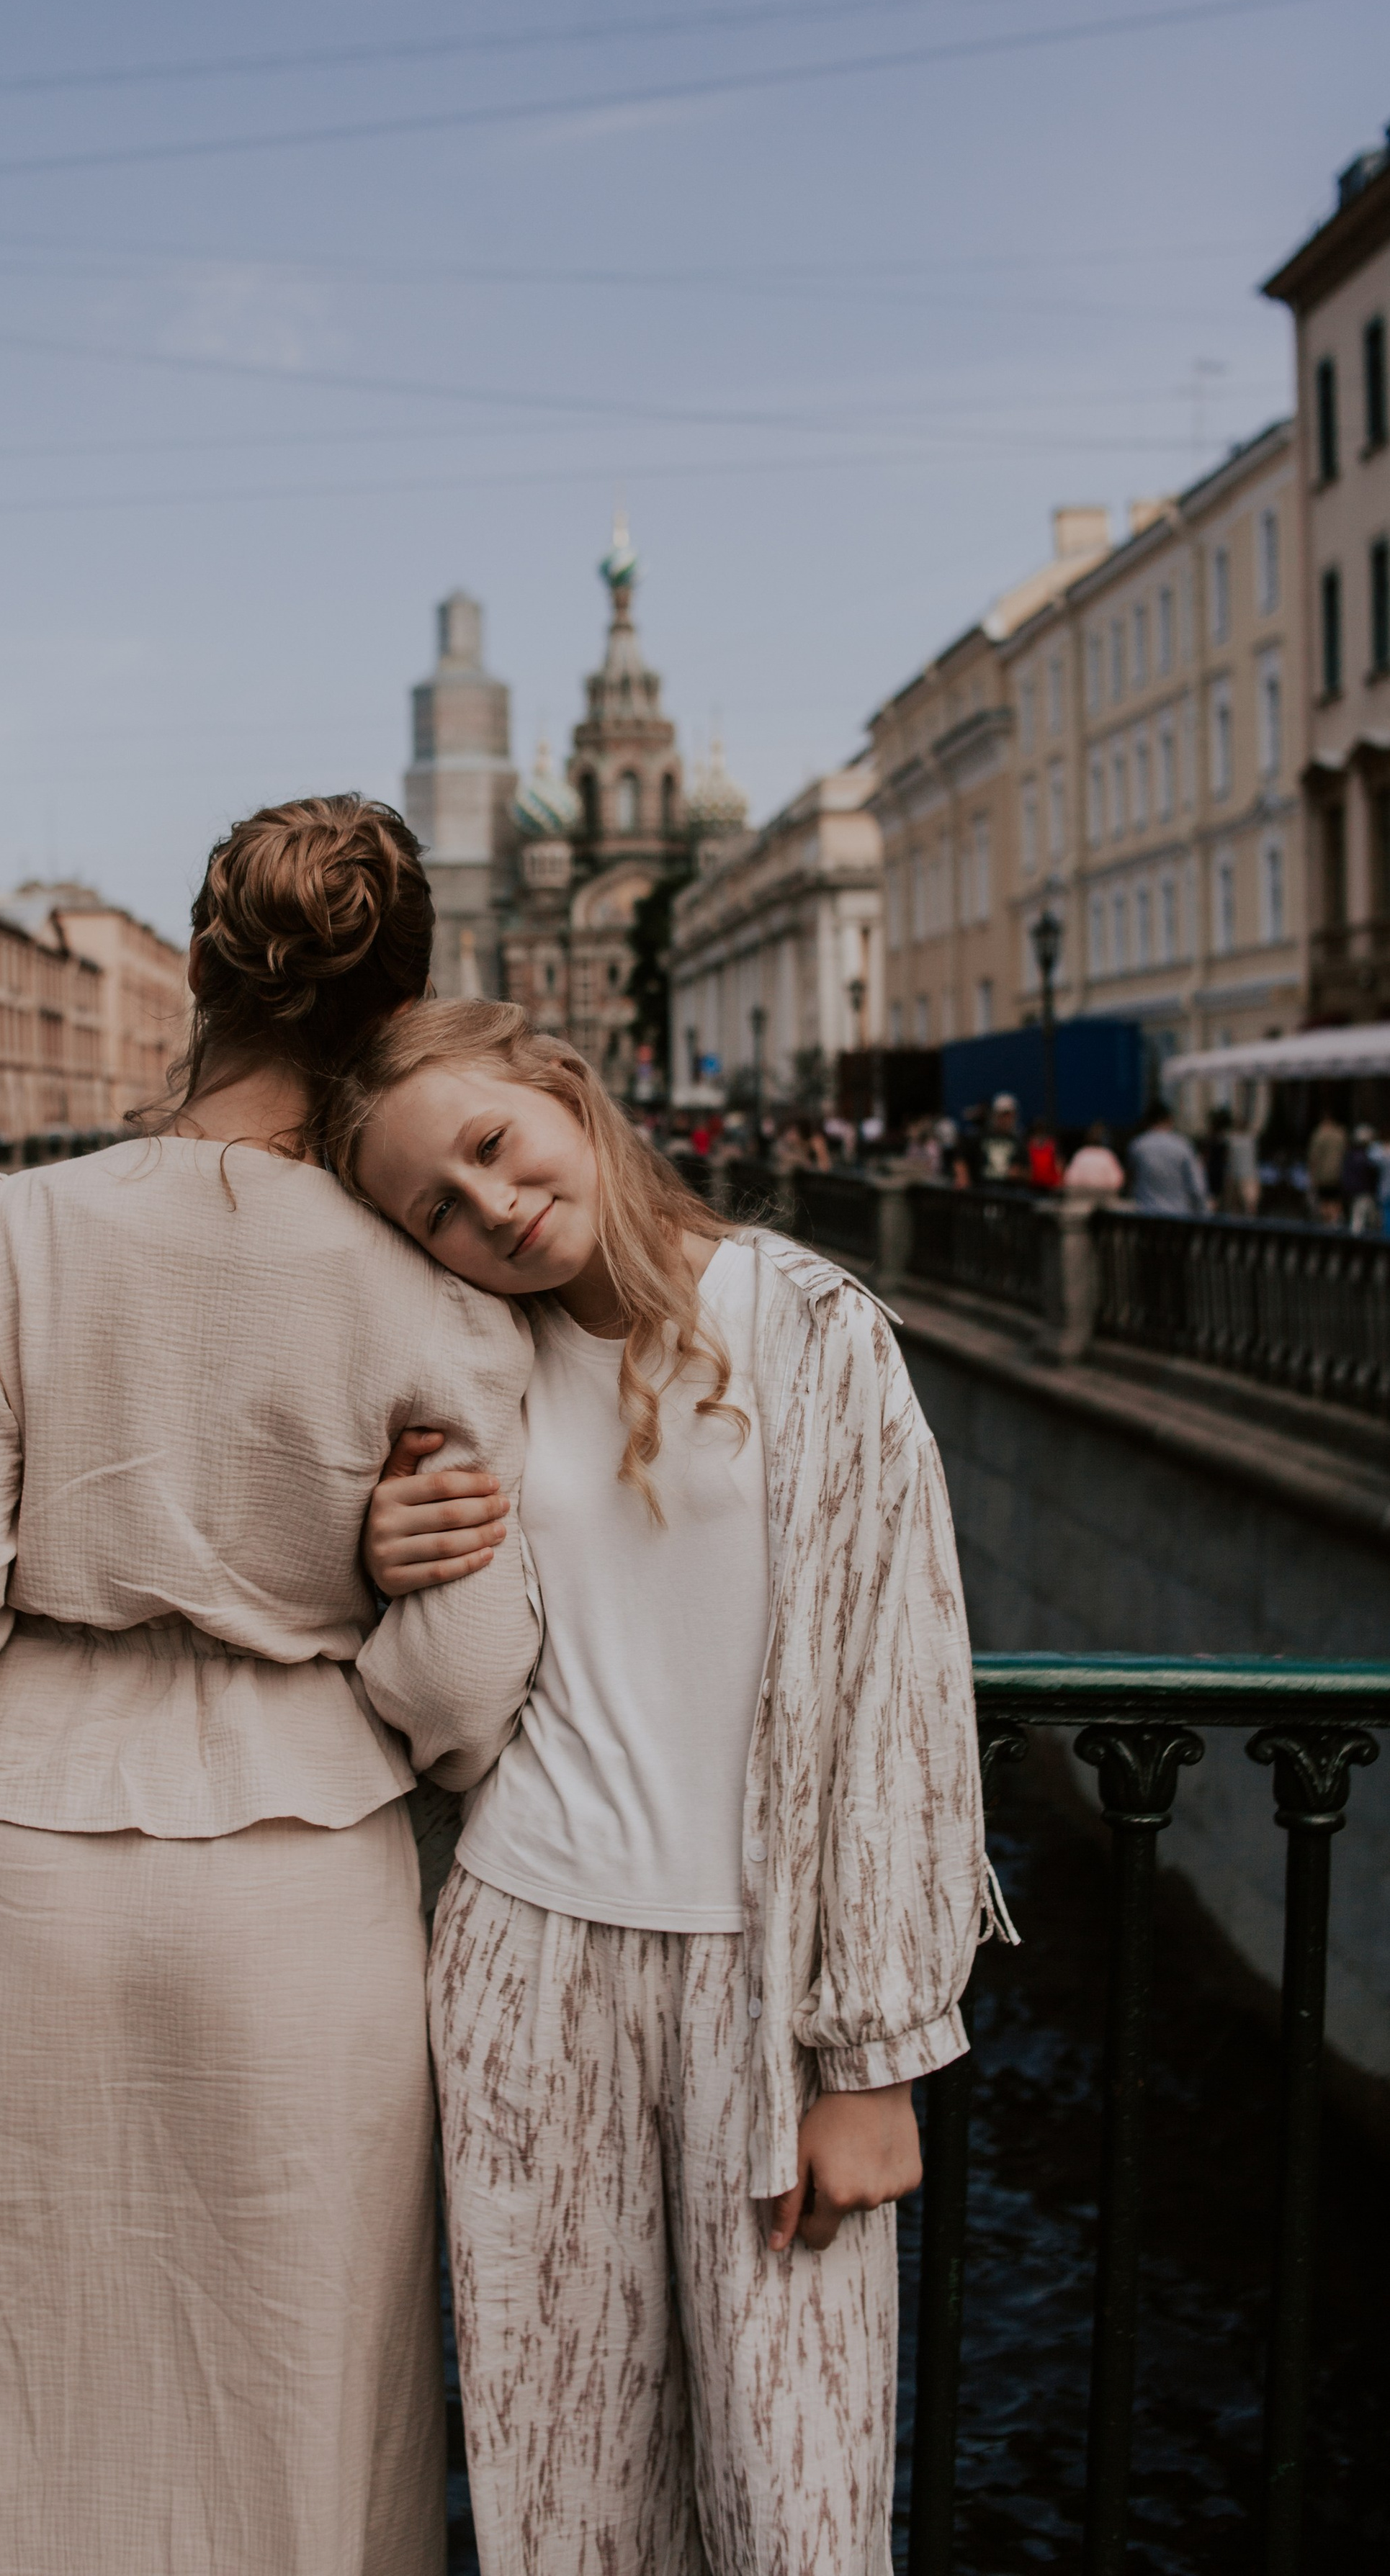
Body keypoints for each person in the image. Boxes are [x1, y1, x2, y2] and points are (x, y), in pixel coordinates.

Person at [0, 800, 542, 2576]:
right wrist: (374, 1666)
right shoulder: (429, 1292)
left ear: (202, 964)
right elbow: (464, 1679)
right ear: (391, 1006)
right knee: (300, 2395)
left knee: (11, 2382)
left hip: (20, 1864)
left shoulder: (5, 1233)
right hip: (305, 1879)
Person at [329, 999, 998, 2576]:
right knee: (560, 2494)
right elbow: (452, 1697)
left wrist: (876, 2057)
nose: (489, 1207)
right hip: (524, 1967)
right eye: (437, 1203)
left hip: (766, 2002)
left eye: (491, 1147)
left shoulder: (806, 1319)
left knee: (796, 2510)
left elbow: (896, 1691)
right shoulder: (470, 1366)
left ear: (560, 1088)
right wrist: (387, 1562)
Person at [1126, 1099, 1209, 1215]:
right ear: (1169, 1119)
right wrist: (1202, 1212)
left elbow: (1131, 1180)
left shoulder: (1138, 1146)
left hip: (1146, 1217)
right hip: (1178, 1216)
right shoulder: (1183, 1146)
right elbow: (1197, 1187)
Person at [1308, 1108, 1348, 1224]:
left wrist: (1312, 1177)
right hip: (1338, 1174)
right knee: (1336, 1201)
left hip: (1322, 1176)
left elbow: (1313, 1157)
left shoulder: (1319, 1134)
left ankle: (1327, 1224)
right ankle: (1334, 1223)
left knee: (1324, 1202)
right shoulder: (1341, 1133)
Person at [1341, 1122, 1382, 1235]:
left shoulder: (1350, 1155)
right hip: (1363, 1193)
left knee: (1361, 1222)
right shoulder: (1365, 1157)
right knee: (1359, 1225)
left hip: (1352, 1192)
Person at [1064, 1121, 1125, 1196]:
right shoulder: (1107, 1155)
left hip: (1091, 1199)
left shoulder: (1081, 1154)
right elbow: (1117, 1181)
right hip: (1092, 1198)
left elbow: (1070, 1180)